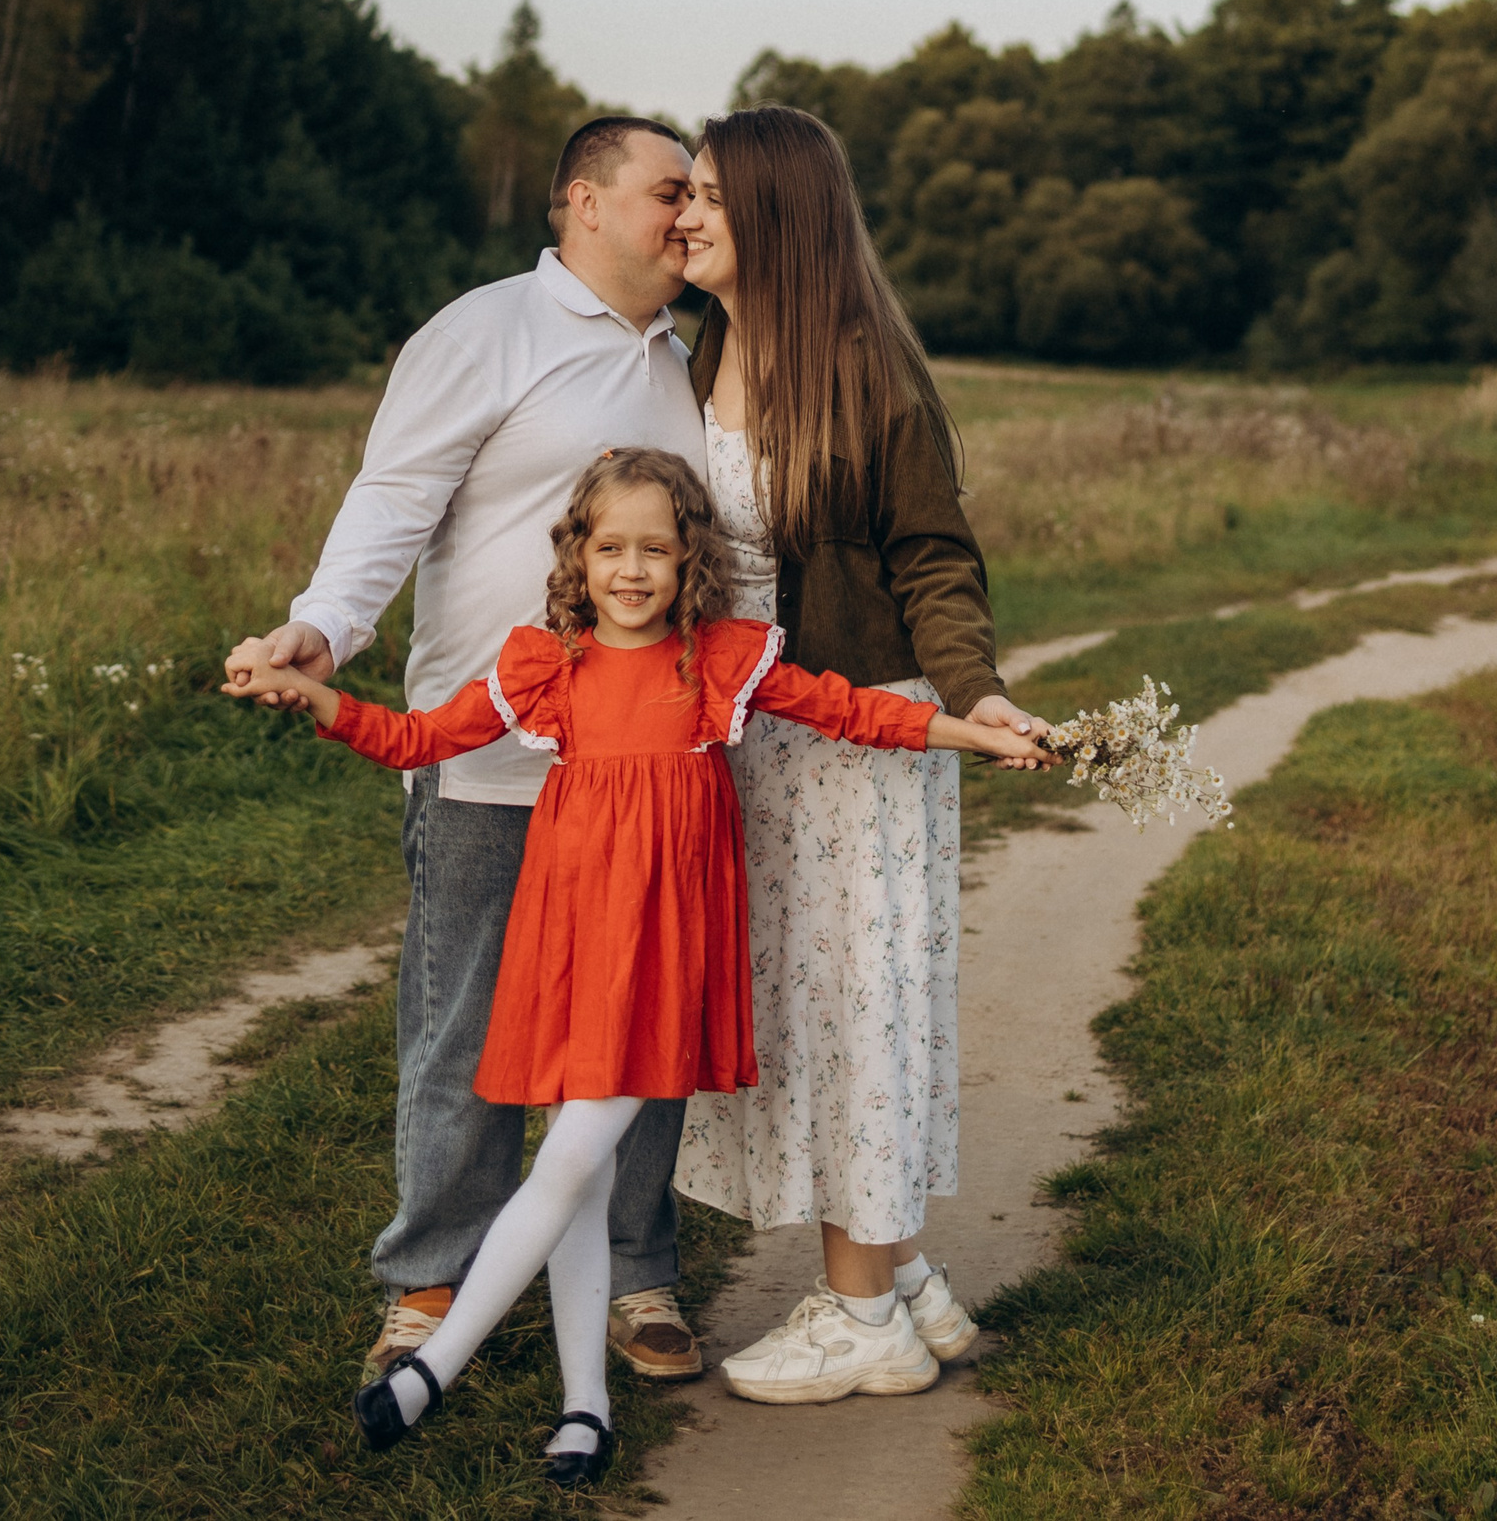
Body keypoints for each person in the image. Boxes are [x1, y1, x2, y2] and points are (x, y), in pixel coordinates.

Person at [224, 450, 1052, 1480]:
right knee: (587, 1160)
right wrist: (315, 699)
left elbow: (850, 709)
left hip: (662, 950)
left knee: (573, 1156)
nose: (631, 569)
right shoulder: (545, 664)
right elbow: (420, 739)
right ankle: (585, 1408)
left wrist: (972, 733)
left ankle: (437, 1363)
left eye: (655, 549)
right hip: (572, 940)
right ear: (579, 555)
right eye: (609, 547)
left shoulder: (718, 661)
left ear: (688, 560)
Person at [227, 118, 715, 1391]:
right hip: (490, 759)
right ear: (582, 202)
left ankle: (637, 1270)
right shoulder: (483, 329)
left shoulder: (691, 355)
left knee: (640, 1024)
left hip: (650, 770)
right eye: (669, 190)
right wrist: (327, 629)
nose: (688, 213)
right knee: (467, 1025)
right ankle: (429, 1282)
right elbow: (393, 497)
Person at [667, 105, 1051, 1403]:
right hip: (749, 739)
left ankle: (860, 1309)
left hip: (857, 736)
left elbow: (934, 556)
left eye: (712, 193)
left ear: (778, 212)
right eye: (686, 193)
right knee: (810, 1009)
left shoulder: (866, 370)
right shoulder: (694, 350)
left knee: (858, 1007)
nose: (689, 213)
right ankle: (898, 1268)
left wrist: (977, 694)